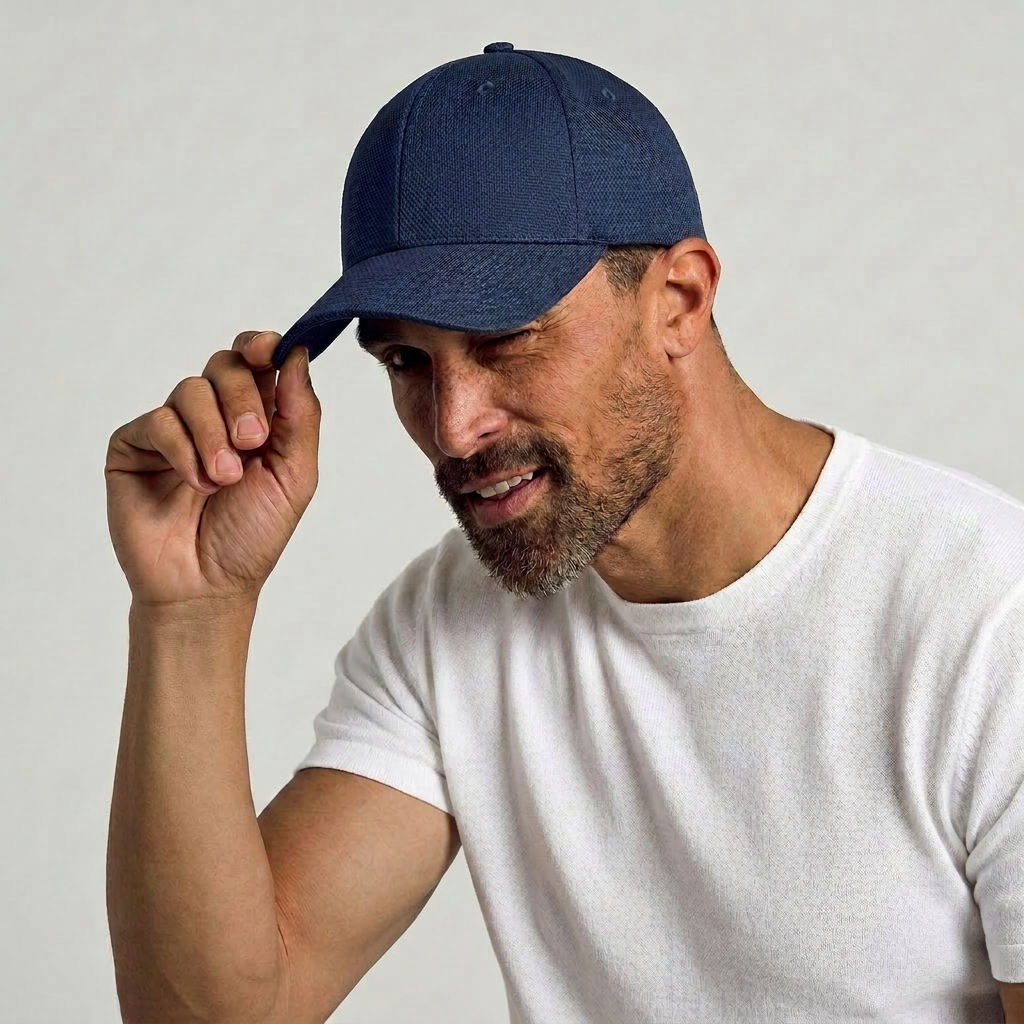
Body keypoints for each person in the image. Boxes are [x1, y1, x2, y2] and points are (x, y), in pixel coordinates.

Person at [103, 42, 1024, 1024]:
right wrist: (193, 610)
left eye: (505, 341)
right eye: (408, 359)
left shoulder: (982, 616)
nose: (453, 426)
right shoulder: (446, 620)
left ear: (678, 300)